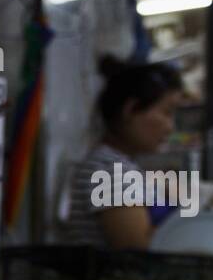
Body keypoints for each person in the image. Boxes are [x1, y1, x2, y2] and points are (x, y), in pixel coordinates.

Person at [60, 56, 185, 250]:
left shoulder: (116, 164)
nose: (170, 127)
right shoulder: (110, 170)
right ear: (130, 110)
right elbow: (137, 252)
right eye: (166, 112)